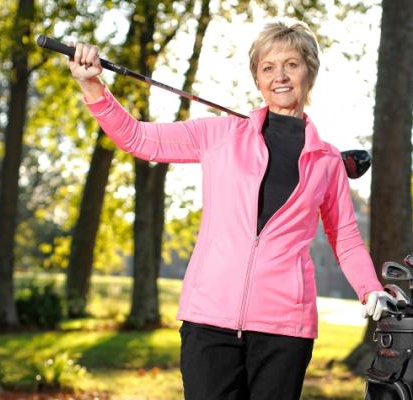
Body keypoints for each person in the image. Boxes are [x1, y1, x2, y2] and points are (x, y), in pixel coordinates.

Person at [69, 19, 394, 400]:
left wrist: (370, 288)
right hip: (209, 320)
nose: (280, 76)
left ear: (310, 71)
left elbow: (346, 238)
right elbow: (138, 138)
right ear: (257, 78)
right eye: (268, 67)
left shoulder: (327, 161)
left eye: (291, 64)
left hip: (285, 329)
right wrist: (92, 86)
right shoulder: (218, 135)